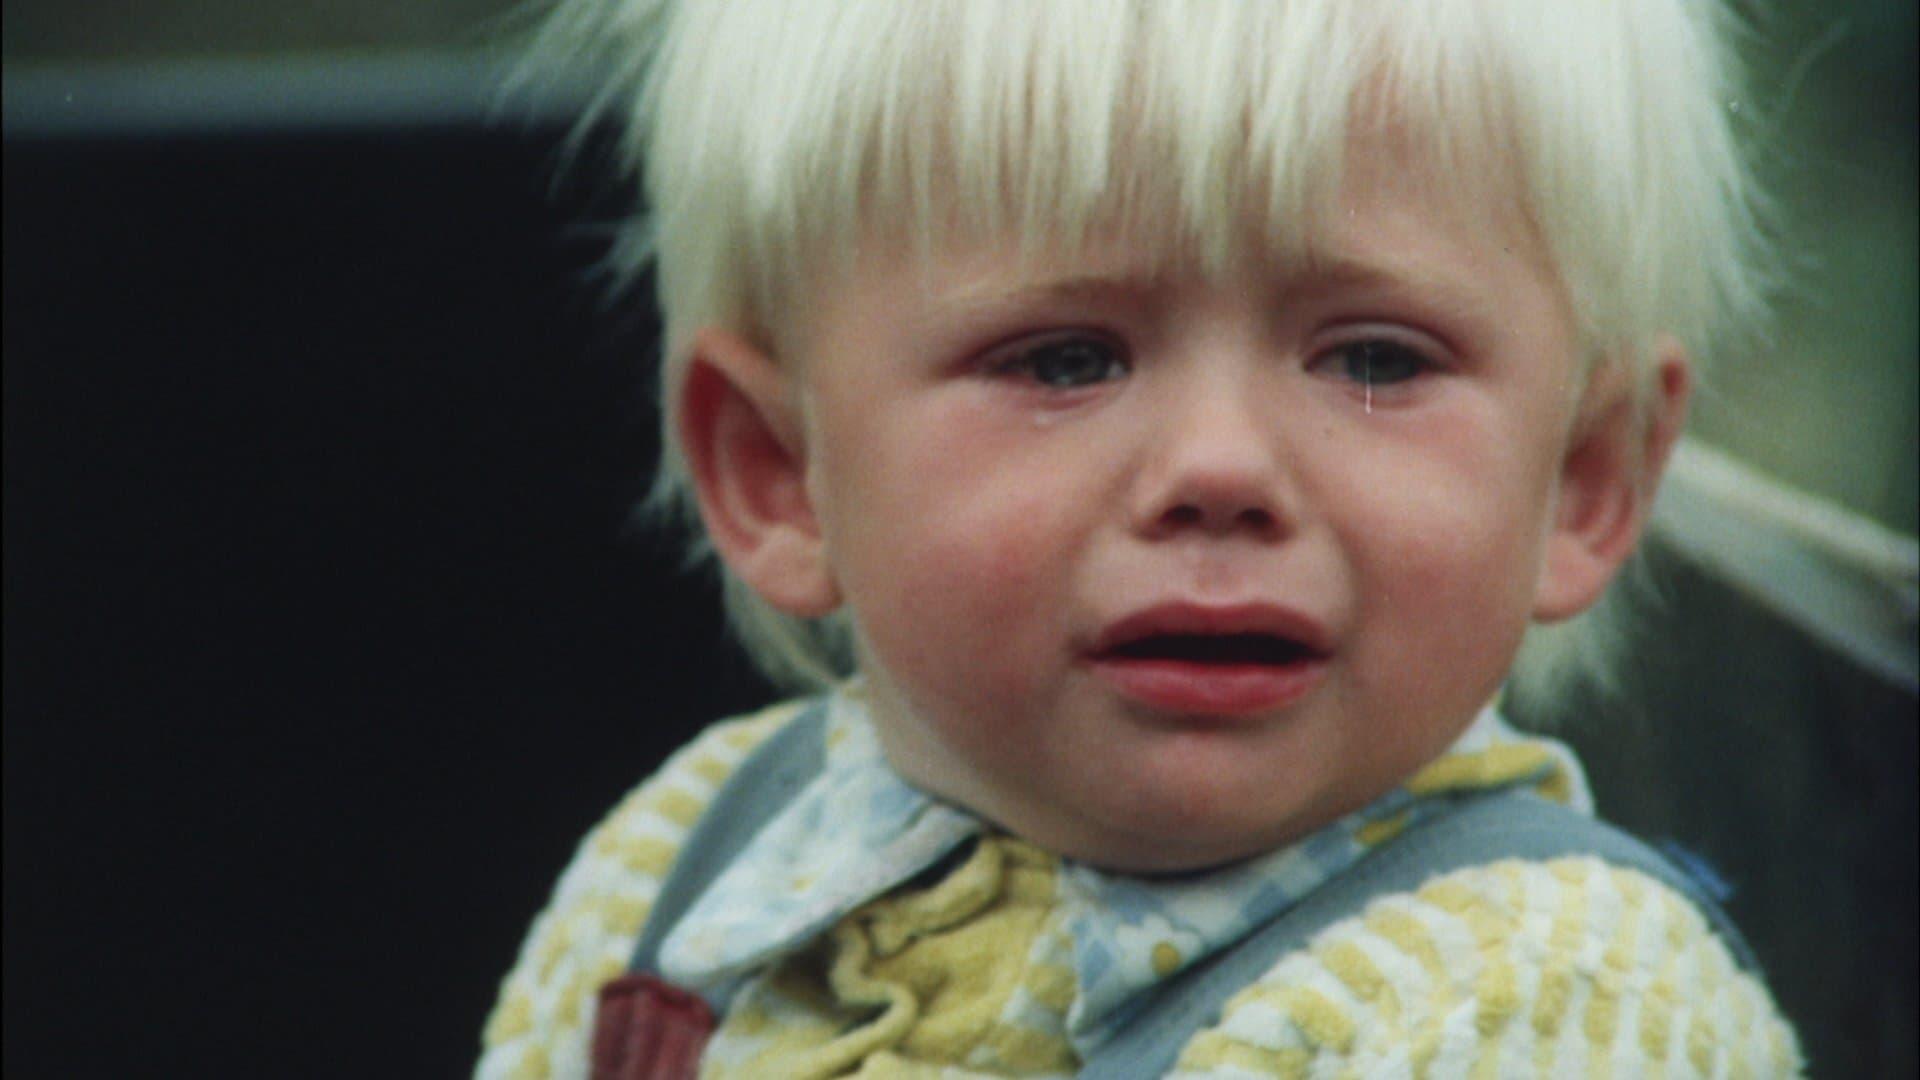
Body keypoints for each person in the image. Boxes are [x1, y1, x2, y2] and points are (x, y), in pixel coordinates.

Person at [478, 2, 1805, 1075]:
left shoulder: (1544, 1011)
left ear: (1581, 475)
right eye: (1064, 357)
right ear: (781, 471)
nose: (1220, 467)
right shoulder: (692, 869)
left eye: (1377, 357)